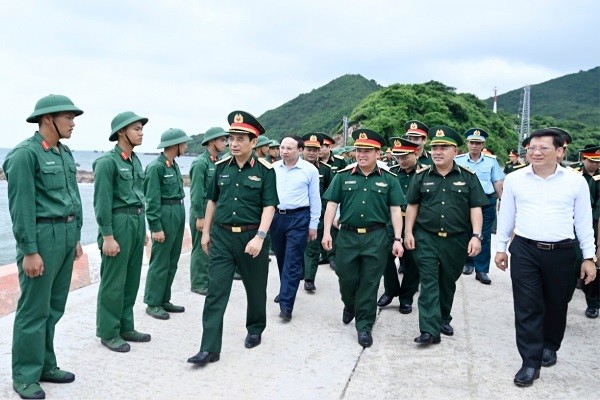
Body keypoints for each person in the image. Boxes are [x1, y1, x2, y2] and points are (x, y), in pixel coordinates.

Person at [494, 127, 597, 388]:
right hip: (525, 249)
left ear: (560, 152)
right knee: (527, 306)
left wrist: (589, 258)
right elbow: (506, 214)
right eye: (531, 148)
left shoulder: (575, 182)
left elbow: (585, 222)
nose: (535, 152)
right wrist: (501, 247)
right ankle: (530, 362)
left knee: (556, 303)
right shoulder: (515, 179)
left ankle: (550, 345)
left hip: (562, 252)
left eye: (543, 148)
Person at [3, 94, 83, 400]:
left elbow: (72, 197)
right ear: (48, 118)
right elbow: (21, 207)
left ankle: (46, 365)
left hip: (64, 237)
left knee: (53, 307)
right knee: (33, 310)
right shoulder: (25, 155)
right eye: (68, 118)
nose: (73, 123)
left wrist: (75, 236)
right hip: (42, 238)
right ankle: (25, 374)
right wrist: (30, 251)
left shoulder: (64, 153)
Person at [187, 110, 278, 366]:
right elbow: (212, 200)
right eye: (231, 138)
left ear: (253, 142)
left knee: (256, 289)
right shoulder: (220, 168)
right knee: (216, 292)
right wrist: (205, 232)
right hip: (223, 238)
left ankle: (256, 328)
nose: (234, 144)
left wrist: (260, 237)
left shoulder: (265, 171)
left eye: (240, 139)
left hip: (252, 237)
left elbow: (269, 206)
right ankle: (209, 348)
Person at [404, 126, 488, 345]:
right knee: (429, 281)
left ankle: (443, 318)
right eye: (434, 147)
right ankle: (429, 330)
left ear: (455, 151)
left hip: (456, 239)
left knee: (447, 281)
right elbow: (412, 205)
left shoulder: (468, 178)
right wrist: (408, 232)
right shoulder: (421, 176)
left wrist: (476, 236)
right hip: (426, 237)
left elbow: (475, 208)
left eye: (443, 147)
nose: (437, 152)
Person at [322, 129, 405, 348]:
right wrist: (326, 232)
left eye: (368, 151)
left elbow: (395, 210)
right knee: (346, 280)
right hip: (347, 236)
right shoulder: (343, 176)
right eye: (359, 150)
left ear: (378, 153)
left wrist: (397, 238)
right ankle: (350, 305)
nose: (362, 154)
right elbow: (331, 204)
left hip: (376, 237)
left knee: (369, 283)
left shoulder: (389, 179)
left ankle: (364, 326)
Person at [94, 111, 151, 353]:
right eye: (136, 128)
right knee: (113, 281)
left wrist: (144, 228)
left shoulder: (135, 160)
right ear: (121, 132)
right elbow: (102, 202)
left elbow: (139, 196)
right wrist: (107, 236)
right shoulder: (107, 162)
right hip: (118, 223)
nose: (141, 133)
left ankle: (126, 326)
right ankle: (108, 332)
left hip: (136, 222)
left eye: (141, 129)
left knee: (131, 279)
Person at [143, 128, 192, 319]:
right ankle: (153, 302)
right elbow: (151, 199)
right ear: (174, 145)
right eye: (184, 143)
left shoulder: (173, 165)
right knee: (160, 261)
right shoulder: (157, 167)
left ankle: (164, 299)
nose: (186, 146)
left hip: (177, 211)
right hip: (165, 213)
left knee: (172, 260)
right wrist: (155, 226)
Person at [270, 135, 321, 320]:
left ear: (299, 150)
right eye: (282, 147)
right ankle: (286, 288)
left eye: (289, 148)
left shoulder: (309, 170)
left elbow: (315, 199)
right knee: (281, 257)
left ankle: (286, 305)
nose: (284, 151)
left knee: (292, 260)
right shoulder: (273, 168)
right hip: (276, 218)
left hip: (299, 218)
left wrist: (313, 225)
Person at [378, 138, 423, 314]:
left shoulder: (423, 173)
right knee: (384, 254)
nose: (401, 161)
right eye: (398, 157)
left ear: (416, 153)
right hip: (393, 220)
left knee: (413, 262)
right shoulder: (392, 173)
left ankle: (406, 297)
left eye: (405, 157)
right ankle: (391, 289)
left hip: (416, 223)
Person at [455, 128, 504, 284]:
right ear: (467, 143)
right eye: (472, 142)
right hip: (464, 202)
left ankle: (482, 269)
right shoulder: (458, 160)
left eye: (478, 143)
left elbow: (497, 181)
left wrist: (503, 200)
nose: (474, 146)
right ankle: (468, 263)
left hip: (486, 202)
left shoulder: (491, 161)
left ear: (483, 144)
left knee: (484, 236)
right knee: (466, 232)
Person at [189, 127, 229, 295]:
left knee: (211, 246)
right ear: (212, 141)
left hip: (214, 209)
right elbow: (196, 192)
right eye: (222, 140)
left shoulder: (216, 162)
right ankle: (198, 283)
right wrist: (199, 217)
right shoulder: (201, 163)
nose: (226, 143)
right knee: (200, 247)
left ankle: (208, 280)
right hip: (203, 209)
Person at [301, 133, 332, 293]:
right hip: (297, 215)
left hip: (317, 216)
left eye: (315, 149)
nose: (311, 153)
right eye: (308, 149)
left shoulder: (326, 171)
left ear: (320, 151)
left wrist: (328, 215)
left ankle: (309, 279)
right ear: (302, 150)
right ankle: (299, 272)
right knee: (296, 247)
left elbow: (329, 195)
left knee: (313, 248)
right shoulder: (294, 167)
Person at [571, 145, 600, 318]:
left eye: (598, 162)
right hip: (570, 225)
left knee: (593, 263)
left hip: (593, 225)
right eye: (592, 161)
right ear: (583, 159)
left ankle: (593, 303)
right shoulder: (573, 174)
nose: (595, 165)